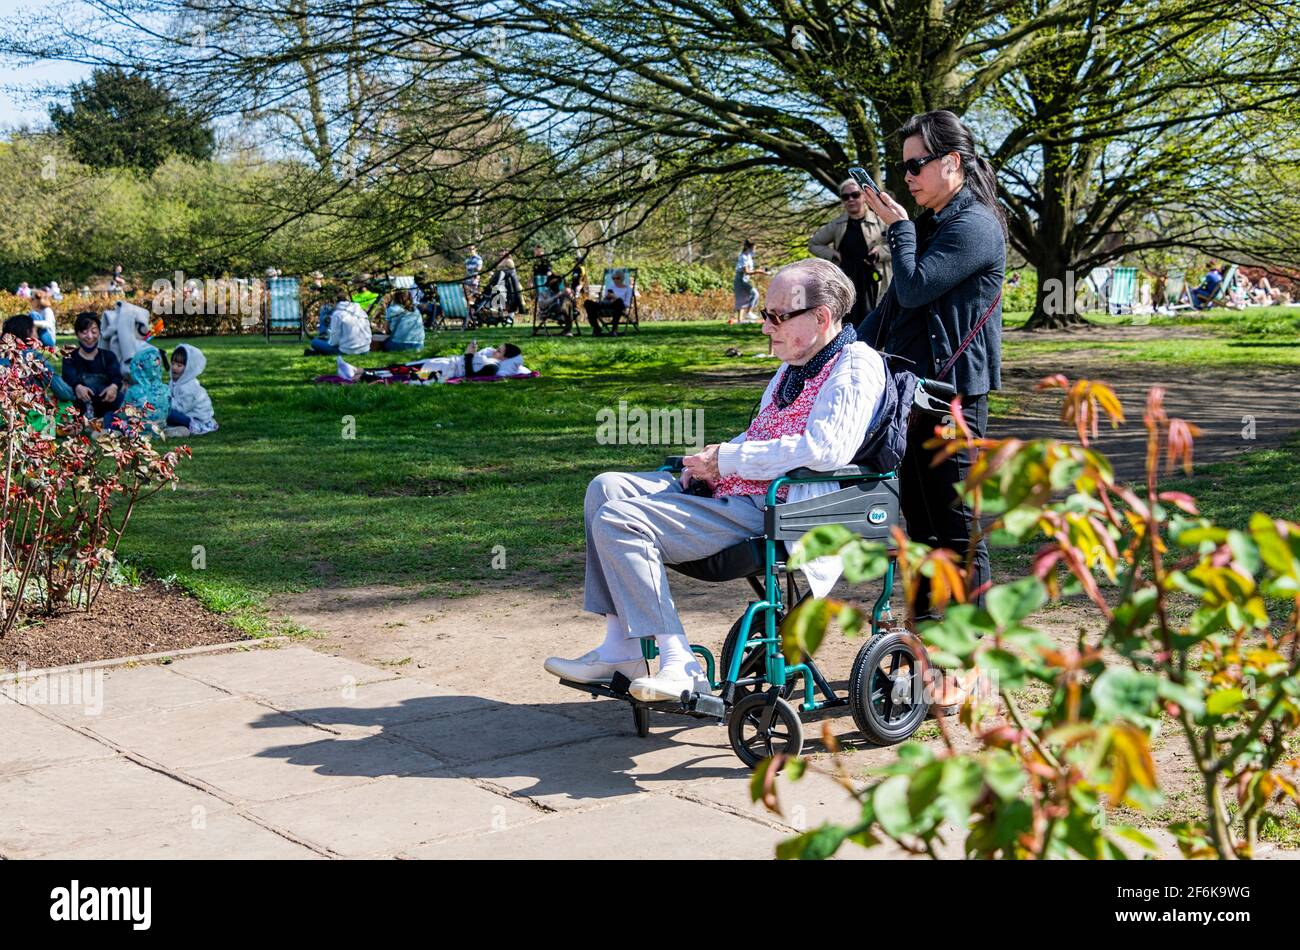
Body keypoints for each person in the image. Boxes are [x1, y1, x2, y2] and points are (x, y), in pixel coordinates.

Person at [543, 258, 886, 700]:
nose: (766, 326)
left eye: (778, 316)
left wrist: (729, 460)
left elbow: (826, 448)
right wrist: (707, 461)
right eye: (766, 314)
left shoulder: (855, 364)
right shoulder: (795, 364)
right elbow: (765, 432)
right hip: (743, 494)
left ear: (821, 318)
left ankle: (679, 663)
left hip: (779, 511)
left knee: (620, 520)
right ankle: (621, 648)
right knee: (605, 488)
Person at [856, 109, 1006, 710]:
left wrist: (898, 232)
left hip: (956, 400)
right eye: (904, 166)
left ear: (954, 162)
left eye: (917, 164)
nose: (908, 175)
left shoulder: (976, 226)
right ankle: (926, 654)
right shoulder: (936, 222)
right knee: (916, 531)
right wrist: (835, 348)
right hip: (913, 397)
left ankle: (975, 663)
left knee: (959, 530)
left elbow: (915, 285)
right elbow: (897, 307)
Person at [810, 177, 893, 325]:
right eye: (845, 196)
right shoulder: (837, 224)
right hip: (845, 282)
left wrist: (880, 252)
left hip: (874, 283)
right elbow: (814, 244)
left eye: (855, 195)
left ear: (864, 196)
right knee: (846, 322)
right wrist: (833, 254)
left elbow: (900, 244)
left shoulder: (881, 220)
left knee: (874, 323)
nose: (850, 199)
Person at [335, 341, 526, 383]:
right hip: (443, 363)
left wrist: (468, 355)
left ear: (505, 357)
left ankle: (357, 375)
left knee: (402, 374)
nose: (495, 350)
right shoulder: (488, 357)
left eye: (499, 350)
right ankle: (357, 370)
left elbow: (471, 376)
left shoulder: (493, 366)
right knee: (401, 368)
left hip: (444, 371)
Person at [63, 311, 124, 426]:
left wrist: (114, 387)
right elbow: (68, 376)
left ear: (99, 333)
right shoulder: (70, 357)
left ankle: (106, 421)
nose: (90, 336)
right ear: (77, 334)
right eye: (84, 332)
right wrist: (78, 386)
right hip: (79, 405)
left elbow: (117, 376)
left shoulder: (108, 356)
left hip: (106, 403)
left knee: (122, 399)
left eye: (94, 331)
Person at [1, 313, 75, 402]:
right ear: (27, 333)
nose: (38, 336)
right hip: (32, 412)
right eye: (36, 331)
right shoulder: (33, 357)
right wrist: (73, 395)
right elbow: (63, 392)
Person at [168, 344, 218, 435]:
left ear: (188, 369)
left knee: (167, 413)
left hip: (196, 421)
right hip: (185, 416)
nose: (174, 367)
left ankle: (181, 430)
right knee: (163, 411)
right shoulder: (175, 382)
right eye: (173, 363)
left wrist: (166, 400)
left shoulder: (189, 388)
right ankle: (174, 428)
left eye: (179, 365)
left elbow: (182, 409)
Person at [306, 289, 372, 355]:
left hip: (348, 351)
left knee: (314, 342)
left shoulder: (337, 314)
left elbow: (334, 342)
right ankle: (319, 352)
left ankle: (319, 352)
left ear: (334, 302)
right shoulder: (358, 309)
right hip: (365, 350)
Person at [121, 345, 170, 431]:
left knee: (110, 415)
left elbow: (122, 414)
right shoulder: (166, 389)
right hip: (160, 426)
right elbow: (168, 411)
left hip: (139, 429)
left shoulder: (133, 391)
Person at [583, 269, 635, 336]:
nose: (616, 280)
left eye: (618, 278)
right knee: (587, 303)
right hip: (606, 305)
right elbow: (604, 300)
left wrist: (615, 297)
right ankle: (597, 328)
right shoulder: (610, 287)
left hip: (618, 306)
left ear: (622, 278)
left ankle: (614, 330)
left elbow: (627, 304)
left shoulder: (628, 289)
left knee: (619, 302)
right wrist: (607, 297)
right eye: (614, 278)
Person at [732, 239, 767, 323]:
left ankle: (740, 321)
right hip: (740, 279)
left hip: (744, 279)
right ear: (749, 247)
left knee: (743, 297)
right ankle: (748, 312)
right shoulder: (743, 257)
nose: (755, 250)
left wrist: (759, 269)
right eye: (754, 248)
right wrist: (758, 271)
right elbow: (746, 271)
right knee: (754, 294)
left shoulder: (748, 256)